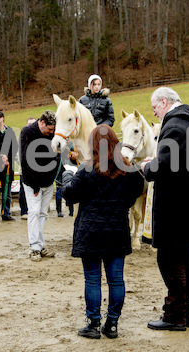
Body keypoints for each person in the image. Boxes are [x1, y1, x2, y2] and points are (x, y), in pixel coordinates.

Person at [62, 125, 144, 339]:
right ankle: (112, 324)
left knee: (93, 279)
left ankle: (93, 323)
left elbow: (69, 195)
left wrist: (66, 176)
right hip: (116, 229)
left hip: (91, 231)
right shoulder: (128, 170)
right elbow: (136, 190)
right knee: (116, 279)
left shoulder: (87, 170)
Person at [140, 86, 189, 331]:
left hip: (176, 208)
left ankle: (175, 315)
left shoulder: (175, 126)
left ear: (163, 101)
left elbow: (165, 166)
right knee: (185, 261)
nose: (155, 114)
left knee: (170, 261)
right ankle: (184, 314)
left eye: (154, 109)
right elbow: (178, 161)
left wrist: (147, 167)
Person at [20, 110, 60, 262]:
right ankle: (33, 247)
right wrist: (35, 185)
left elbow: (57, 154)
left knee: (43, 213)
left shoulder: (53, 132)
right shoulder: (27, 132)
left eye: (53, 129)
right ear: (42, 123)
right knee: (34, 212)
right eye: (49, 129)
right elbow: (25, 160)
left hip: (48, 181)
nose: (51, 132)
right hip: (32, 181)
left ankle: (39, 245)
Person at [18, 117, 37, 219]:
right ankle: (24, 211)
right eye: (29, 124)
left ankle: (33, 210)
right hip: (24, 170)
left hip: (38, 170)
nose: (31, 126)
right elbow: (18, 154)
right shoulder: (23, 136)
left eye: (33, 124)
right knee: (23, 191)